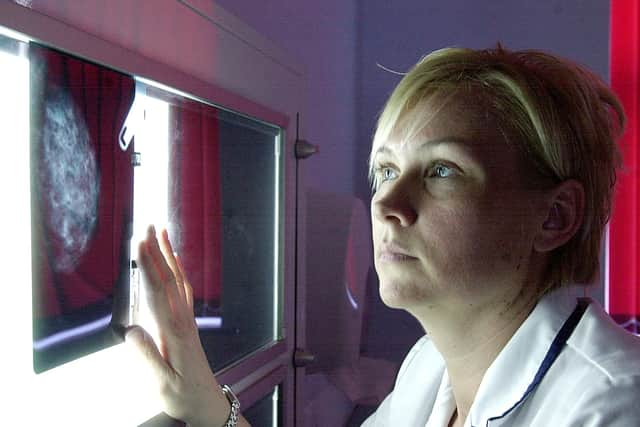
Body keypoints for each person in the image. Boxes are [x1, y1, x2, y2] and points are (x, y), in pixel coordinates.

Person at [126, 45, 640, 427]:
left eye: (442, 171)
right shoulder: (431, 365)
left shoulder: (611, 406)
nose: (387, 206)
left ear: (554, 216)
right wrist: (208, 406)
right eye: (387, 171)